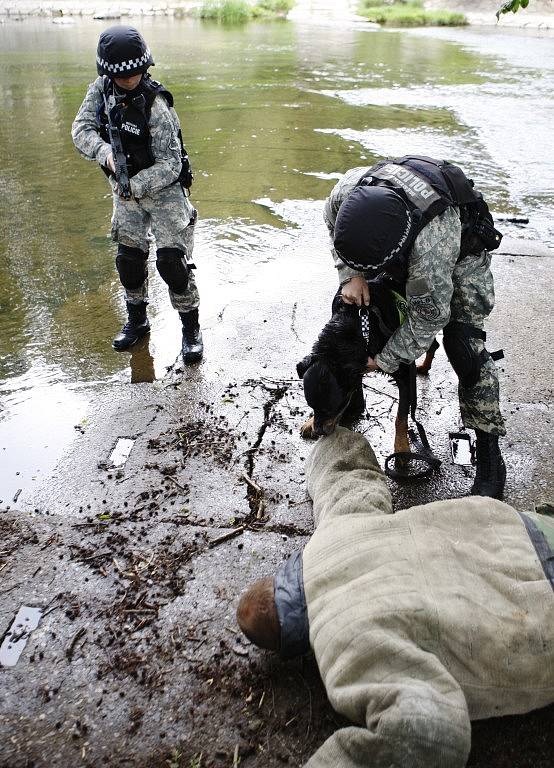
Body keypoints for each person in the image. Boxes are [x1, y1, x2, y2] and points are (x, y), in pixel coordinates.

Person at [237, 427, 554, 768]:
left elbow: (429, 735)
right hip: (526, 530)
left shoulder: (343, 645)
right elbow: (342, 460)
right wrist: (323, 431)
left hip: (540, 612)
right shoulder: (335, 533)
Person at [323, 156, 506, 498]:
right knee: (347, 306)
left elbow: (429, 317)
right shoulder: (347, 191)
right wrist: (352, 275)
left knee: (464, 348)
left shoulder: (433, 242)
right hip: (397, 237)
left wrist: (386, 359)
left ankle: (490, 455)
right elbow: (331, 220)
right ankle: (352, 402)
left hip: (462, 252)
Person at [71, 25, 203, 363]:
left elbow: (172, 165)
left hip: (164, 192)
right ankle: (138, 321)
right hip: (124, 189)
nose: (131, 78)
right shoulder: (100, 90)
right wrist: (106, 154)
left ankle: (191, 329)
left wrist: (134, 184)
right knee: (129, 260)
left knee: (173, 264)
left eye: (136, 72)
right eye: (123, 74)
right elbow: (81, 129)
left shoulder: (156, 105)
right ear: (109, 73)